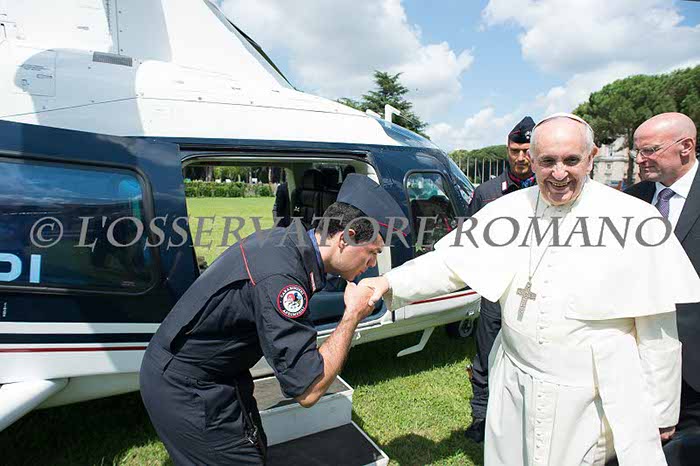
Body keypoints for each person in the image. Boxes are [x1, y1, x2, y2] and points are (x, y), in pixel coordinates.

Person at [360, 113, 700, 465]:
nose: (559, 173)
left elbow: (658, 330)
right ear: (532, 161)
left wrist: (661, 410)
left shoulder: (637, 219)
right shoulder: (508, 210)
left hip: (589, 397)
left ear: (591, 159)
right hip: (515, 381)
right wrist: (388, 282)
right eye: (548, 161)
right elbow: (449, 263)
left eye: (571, 160)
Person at [140, 174, 405, 465]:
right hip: (187, 387)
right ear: (346, 238)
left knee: (254, 447)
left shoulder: (289, 241)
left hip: (215, 373)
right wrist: (352, 315)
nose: (372, 264)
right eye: (372, 253)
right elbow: (308, 389)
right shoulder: (282, 278)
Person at [625, 112, 700, 466]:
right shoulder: (630, 201)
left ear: (686, 147)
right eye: (637, 151)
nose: (640, 159)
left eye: (650, 150)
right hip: (639, 360)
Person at [464, 115, 536, 443]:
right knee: (485, 354)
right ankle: (481, 416)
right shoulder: (487, 192)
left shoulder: (549, 190)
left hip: (536, 290)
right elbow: (468, 237)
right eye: (515, 150)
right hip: (496, 289)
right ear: (507, 150)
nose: (521, 157)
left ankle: (522, 417)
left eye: (527, 151)